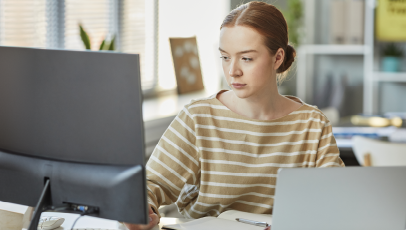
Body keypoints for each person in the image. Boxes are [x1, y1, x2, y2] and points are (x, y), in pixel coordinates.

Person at [125, 2, 344, 230]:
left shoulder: (312, 124)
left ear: (277, 58)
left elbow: (336, 199)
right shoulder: (198, 117)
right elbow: (150, 184)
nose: (232, 71)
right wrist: (141, 210)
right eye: (225, 57)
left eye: (246, 58)